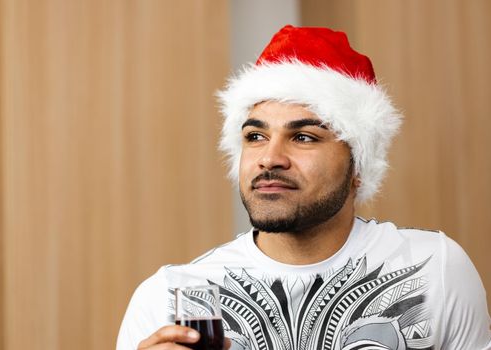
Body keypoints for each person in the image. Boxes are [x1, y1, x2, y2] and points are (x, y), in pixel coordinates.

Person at [117, 25, 491, 350]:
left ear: (358, 165)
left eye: (304, 137)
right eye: (256, 135)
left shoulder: (434, 268)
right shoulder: (167, 299)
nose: (270, 158)